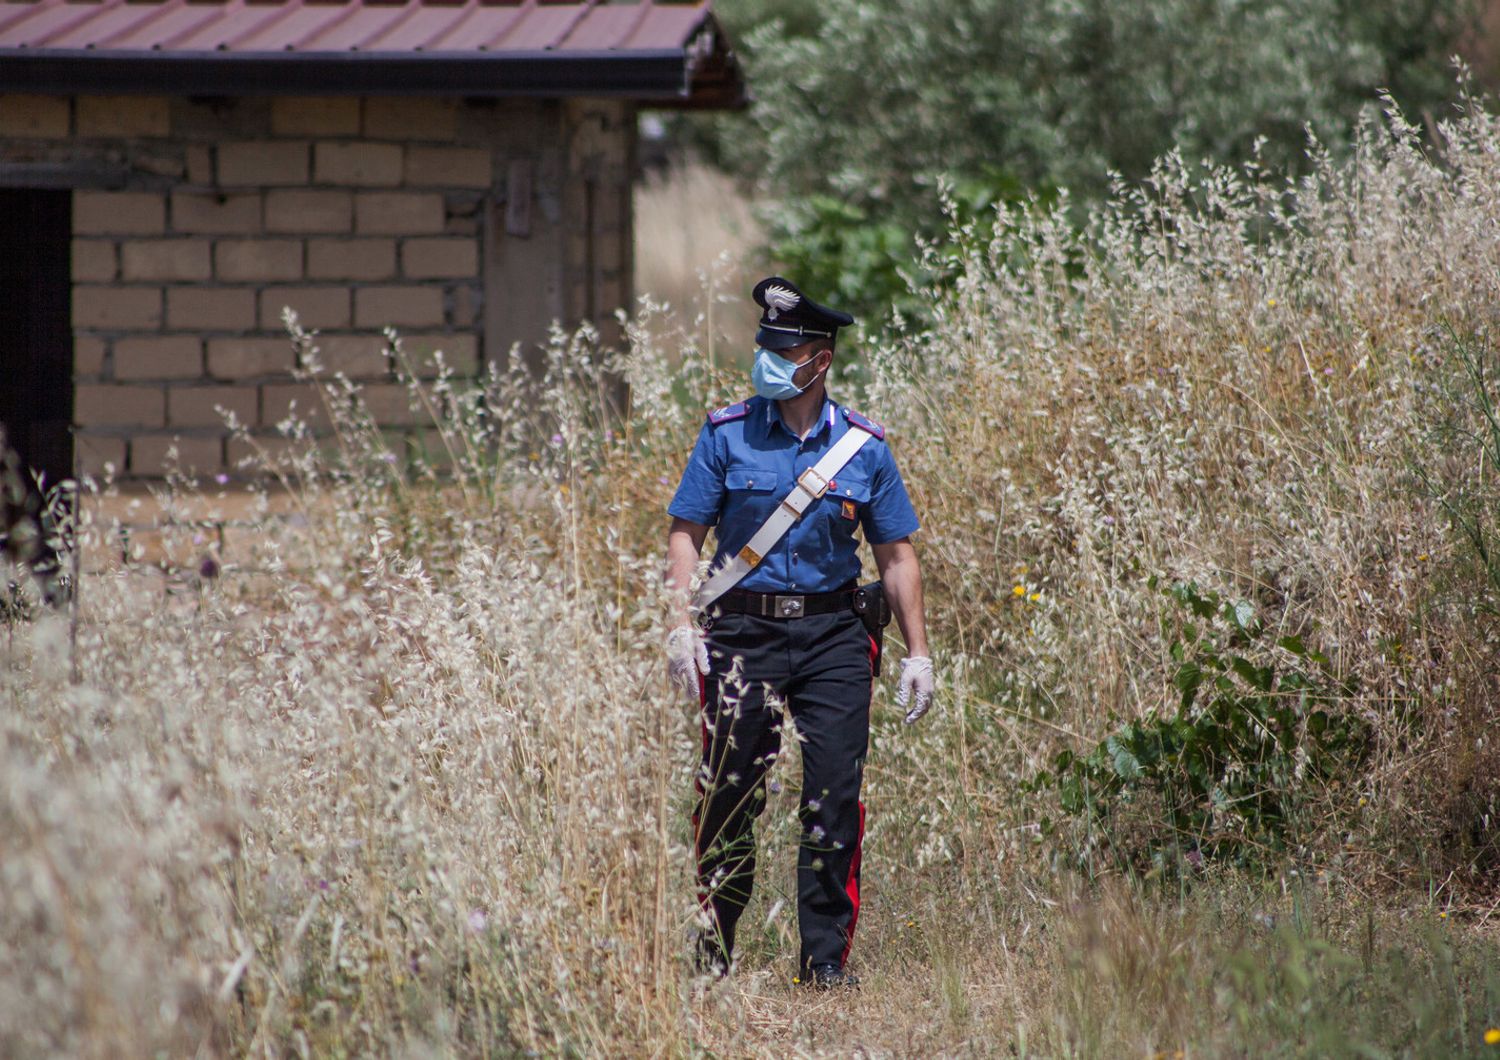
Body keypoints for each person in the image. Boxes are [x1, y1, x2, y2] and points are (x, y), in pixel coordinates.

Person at [663, 276, 935, 989]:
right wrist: (680, 623)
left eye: (786, 349)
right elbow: (687, 532)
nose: (770, 361)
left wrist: (919, 655)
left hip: (833, 639)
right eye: (766, 347)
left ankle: (824, 963)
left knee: (834, 796)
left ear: (821, 359)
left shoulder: (864, 449)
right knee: (728, 793)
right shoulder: (726, 433)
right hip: (739, 637)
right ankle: (711, 951)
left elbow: (897, 556)